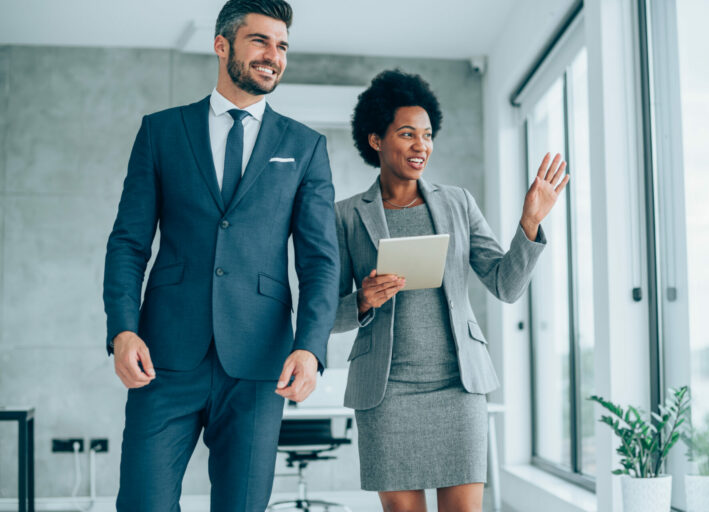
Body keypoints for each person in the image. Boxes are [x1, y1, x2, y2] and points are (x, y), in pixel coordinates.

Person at [102, 0, 339, 509]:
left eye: (282, 46)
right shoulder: (162, 132)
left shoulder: (305, 145)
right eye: (260, 41)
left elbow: (319, 260)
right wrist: (123, 330)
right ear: (222, 45)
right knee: (142, 502)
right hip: (163, 358)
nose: (273, 55)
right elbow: (128, 242)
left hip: (259, 363)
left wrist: (311, 347)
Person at [333, 70, 569, 512]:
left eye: (427, 134)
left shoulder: (457, 203)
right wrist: (363, 299)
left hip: (458, 387)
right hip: (387, 393)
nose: (421, 145)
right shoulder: (345, 216)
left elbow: (505, 285)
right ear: (375, 140)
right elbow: (325, 314)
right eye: (407, 134)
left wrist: (530, 223)